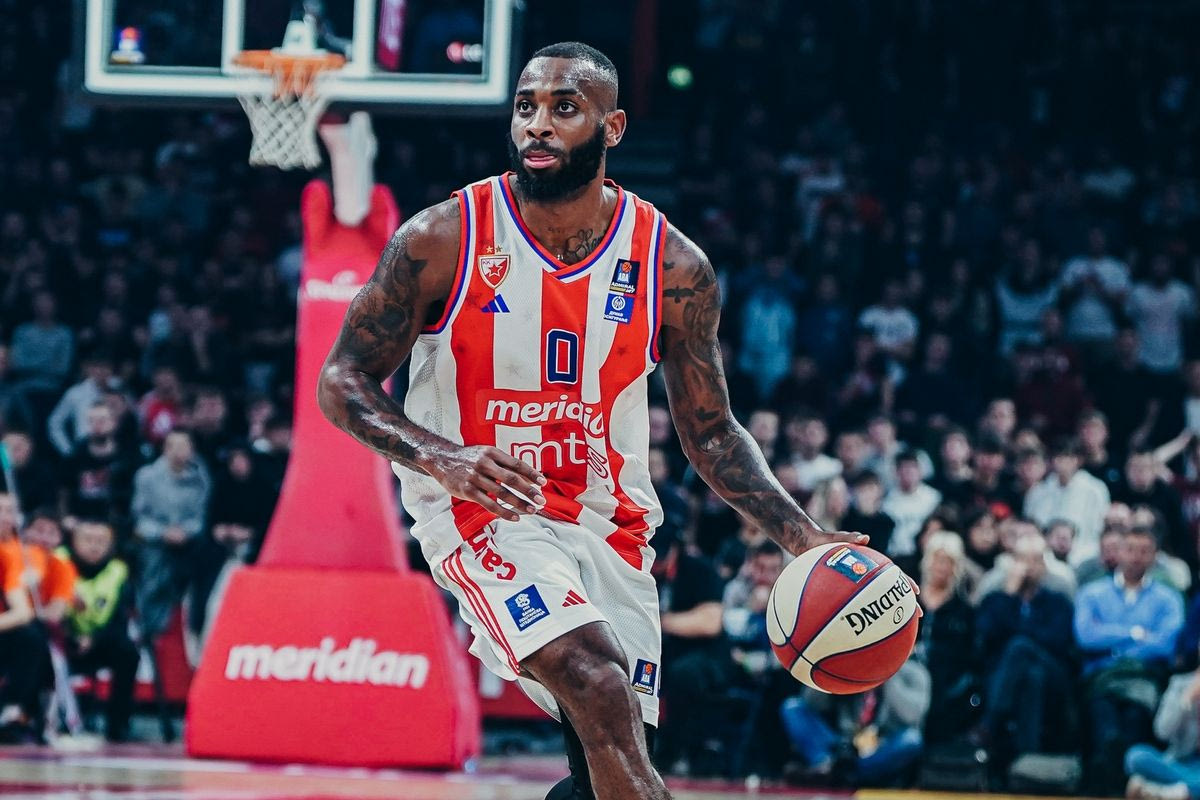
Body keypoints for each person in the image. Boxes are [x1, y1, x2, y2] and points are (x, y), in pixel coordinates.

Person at [316, 42, 866, 800]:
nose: (537, 124)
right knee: (597, 680)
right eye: (526, 107)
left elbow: (710, 431)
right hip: (485, 507)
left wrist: (802, 536)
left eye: (564, 107)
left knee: (603, 769)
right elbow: (341, 380)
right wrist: (442, 456)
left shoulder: (673, 266)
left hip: (610, 518)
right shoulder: (444, 237)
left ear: (613, 127)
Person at [1075, 526, 1184, 795]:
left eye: (1144, 551)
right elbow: (1086, 636)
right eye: (1131, 549)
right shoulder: (1092, 592)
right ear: (1119, 551)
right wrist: (1134, 633)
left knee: (1134, 720)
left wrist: (1115, 648)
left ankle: (1123, 785)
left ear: (1155, 556)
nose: (1136, 556)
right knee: (1105, 725)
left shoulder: (1168, 597)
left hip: (1144, 676)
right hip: (1101, 677)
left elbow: (1166, 644)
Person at [975, 531, 1076, 765]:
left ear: (1044, 564)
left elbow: (1057, 641)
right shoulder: (997, 598)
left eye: (1035, 559)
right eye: (1023, 559)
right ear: (1012, 562)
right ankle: (1026, 762)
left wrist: (1019, 632)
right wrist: (1009, 595)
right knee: (1031, 677)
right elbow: (985, 635)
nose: (1029, 567)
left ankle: (990, 722)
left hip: (1053, 671)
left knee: (1020, 646)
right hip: (1007, 675)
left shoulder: (1058, 601)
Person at [130, 428, 212, 639]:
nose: (177, 451)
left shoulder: (201, 478)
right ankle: (149, 634)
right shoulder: (147, 477)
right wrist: (162, 532)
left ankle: (189, 634)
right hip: (154, 541)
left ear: (192, 449)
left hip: (189, 541)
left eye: (183, 446)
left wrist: (186, 532)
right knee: (154, 578)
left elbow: (201, 516)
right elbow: (139, 518)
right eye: (172, 446)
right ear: (164, 449)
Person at [64, 519, 139, 742]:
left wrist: (93, 639)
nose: (94, 546)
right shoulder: (59, 562)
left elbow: (120, 622)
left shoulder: (119, 572)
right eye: (87, 540)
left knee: (128, 652)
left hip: (99, 642)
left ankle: (118, 724)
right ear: (73, 542)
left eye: (101, 541)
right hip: (61, 640)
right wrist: (71, 637)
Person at [1024, 437, 1110, 564]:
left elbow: (1099, 529)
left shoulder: (1095, 489)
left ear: (1078, 460)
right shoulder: (1038, 492)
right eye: (1058, 457)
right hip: (1043, 556)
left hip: (1085, 555)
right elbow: (1031, 528)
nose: (1062, 463)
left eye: (1068, 457)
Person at [0, 493, 42, 743]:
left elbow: (23, 611)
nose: (4, 517)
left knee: (31, 635)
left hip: (5, 633)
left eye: (9, 511)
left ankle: (13, 712)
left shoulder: (20, 554)